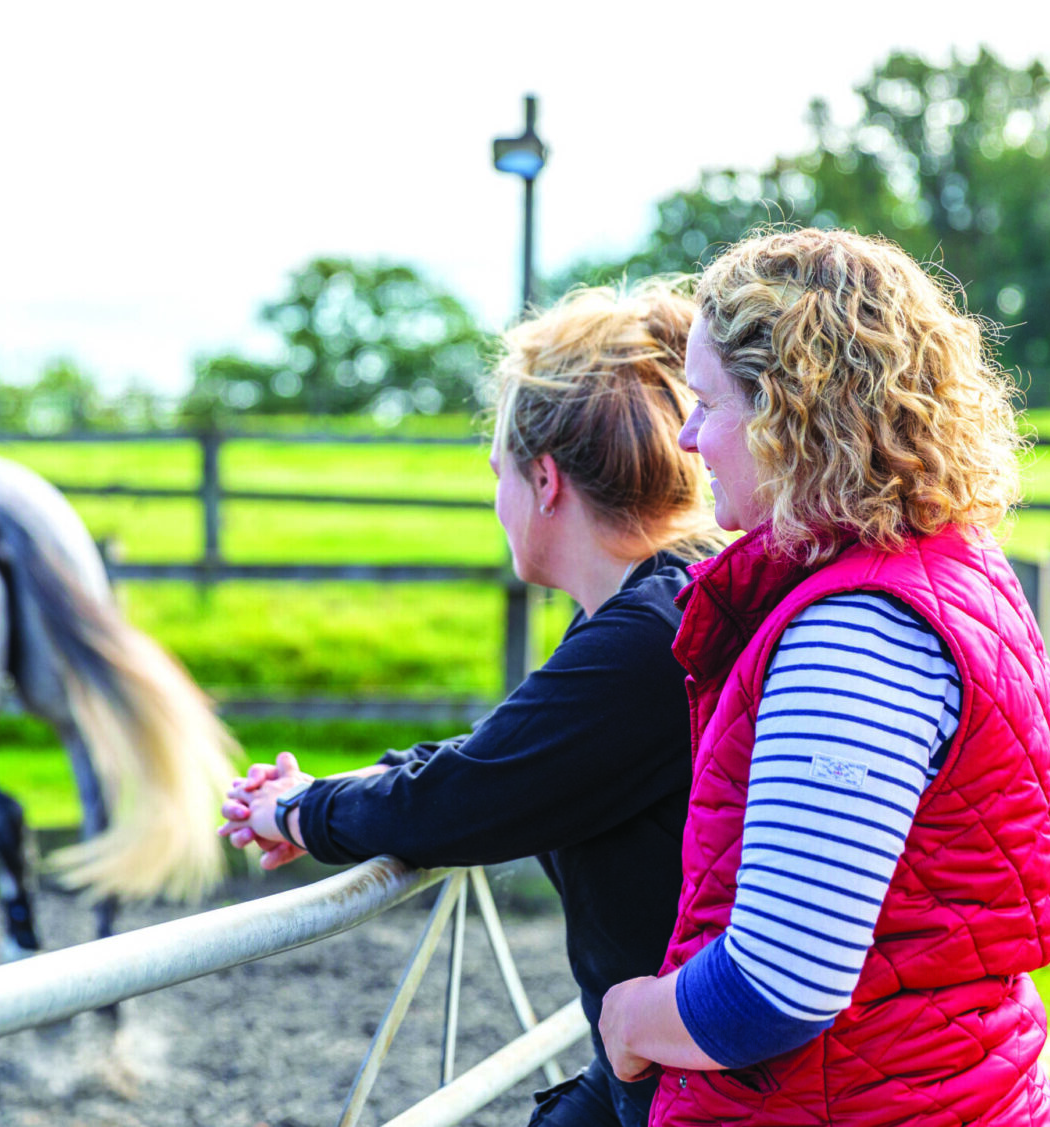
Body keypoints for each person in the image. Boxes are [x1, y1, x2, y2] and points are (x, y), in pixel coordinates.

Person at [593, 227, 1050, 1126]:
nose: (690, 438)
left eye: (706, 402)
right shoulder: (940, 570)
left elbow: (778, 984)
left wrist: (631, 1018)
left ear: (792, 412)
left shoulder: (856, 635)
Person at [219, 281, 721, 1127]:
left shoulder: (648, 638)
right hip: (661, 1060)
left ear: (545, 480)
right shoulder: (660, 601)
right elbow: (510, 751)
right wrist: (327, 790)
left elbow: (464, 799)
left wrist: (304, 812)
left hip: (695, 1082)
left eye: (499, 476)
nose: (498, 503)